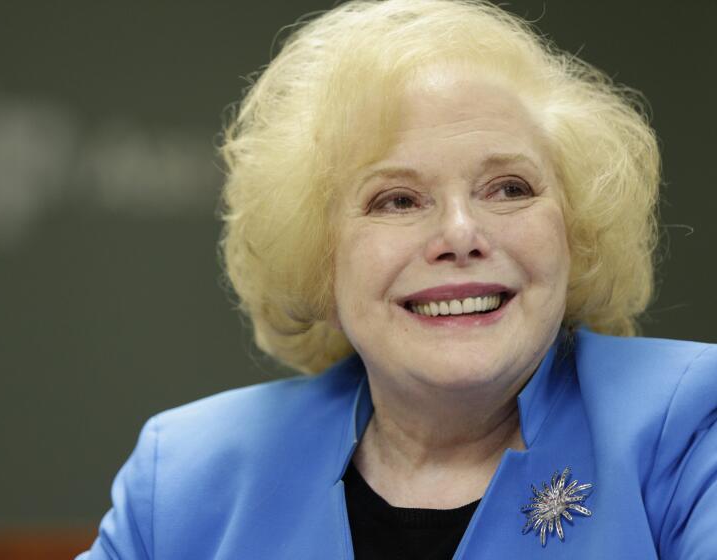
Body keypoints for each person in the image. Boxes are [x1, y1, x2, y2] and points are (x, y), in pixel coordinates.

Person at [78, 1, 717, 558]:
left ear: (575, 232)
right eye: (398, 200)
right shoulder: (186, 476)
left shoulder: (689, 427)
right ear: (317, 254)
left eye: (509, 188)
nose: (461, 234)